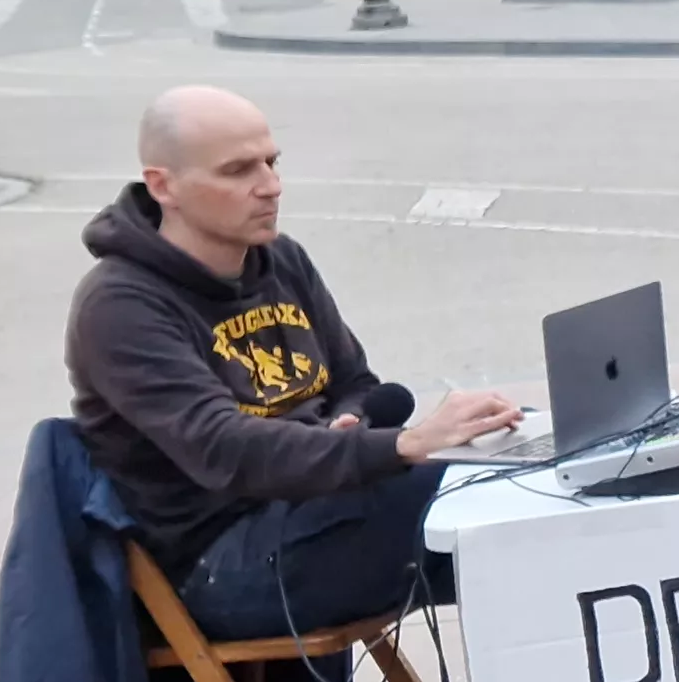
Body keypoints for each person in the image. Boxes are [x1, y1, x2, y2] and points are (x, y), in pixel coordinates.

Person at [66, 85, 520, 640]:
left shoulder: (281, 259)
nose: (270, 186)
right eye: (238, 171)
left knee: (521, 466)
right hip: (226, 566)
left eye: (272, 162)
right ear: (164, 186)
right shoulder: (120, 305)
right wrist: (403, 444)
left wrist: (348, 423)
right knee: (467, 486)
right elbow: (224, 448)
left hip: (319, 510)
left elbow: (355, 382)